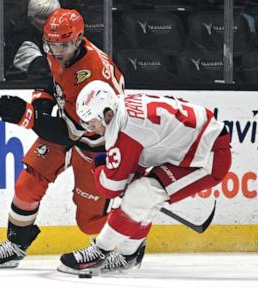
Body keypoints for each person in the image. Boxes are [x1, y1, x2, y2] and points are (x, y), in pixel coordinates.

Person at [0, 9, 127, 272]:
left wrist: (26, 116)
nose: (56, 51)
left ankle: (130, 242)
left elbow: (71, 132)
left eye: (63, 45)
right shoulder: (58, 47)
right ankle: (16, 243)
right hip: (68, 124)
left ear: (79, 38)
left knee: (89, 222)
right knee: (28, 182)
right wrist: (41, 108)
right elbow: (50, 81)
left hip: (95, 142)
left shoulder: (93, 77)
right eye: (51, 44)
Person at [57, 80, 232, 276]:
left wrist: (98, 165)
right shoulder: (122, 109)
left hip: (208, 158)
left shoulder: (124, 130)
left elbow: (111, 188)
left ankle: (99, 252)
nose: (90, 128)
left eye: (92, 122)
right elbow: (143, 151)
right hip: (197, 144)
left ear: (107, 114)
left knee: (142, 194)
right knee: (143, 193)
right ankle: (128, 256)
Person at [5, 0, 60, 80]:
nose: (51, 22)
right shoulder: (22, 40)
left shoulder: (54, 37)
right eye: (44, 18)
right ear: (31, 19)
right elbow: (40, 67)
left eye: (55, 18)